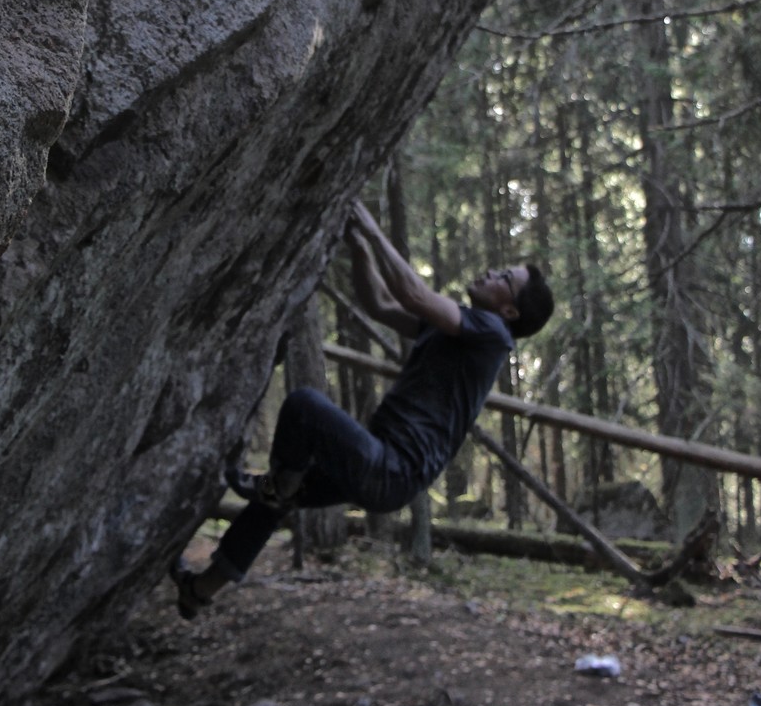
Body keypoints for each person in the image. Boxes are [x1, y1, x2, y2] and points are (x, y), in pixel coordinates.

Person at [170, 200, 554, 616]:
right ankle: (200, 591)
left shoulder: (493, 333)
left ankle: (276, 486)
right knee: (276, 499)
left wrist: (371, 230)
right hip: (384, 465)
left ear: (509, 310)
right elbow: (381, 305)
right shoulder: (460, 328)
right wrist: (358, 244)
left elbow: (414, 294)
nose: (491, 272)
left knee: (303, 407)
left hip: (391, 469)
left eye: (503, 278)